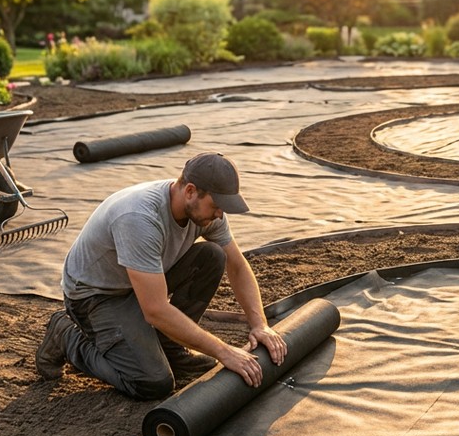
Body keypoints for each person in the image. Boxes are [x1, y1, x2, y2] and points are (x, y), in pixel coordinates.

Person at [35, 152, 286, 399]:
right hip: (96, 296)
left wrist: (260, 325)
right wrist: (224, 351)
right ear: (190, 191)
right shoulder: (140, 218)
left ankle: (170, 345)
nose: (220, 214)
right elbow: (154, 309)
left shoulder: (204, 211)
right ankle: (67, 336)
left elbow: (238, 266)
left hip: (140, 282)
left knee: (212, 256)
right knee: (152, 382)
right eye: (216, 206)